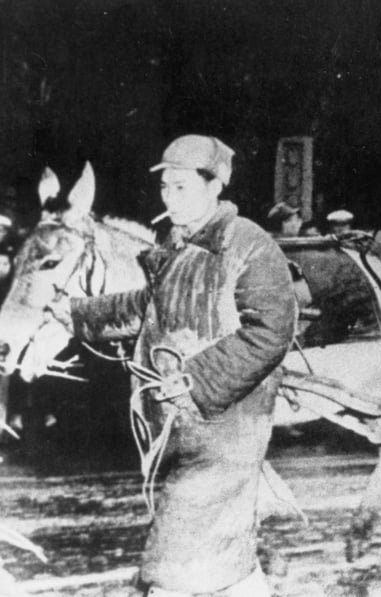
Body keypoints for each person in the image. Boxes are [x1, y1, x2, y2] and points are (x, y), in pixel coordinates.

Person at [51, 134, 296, 596]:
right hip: (181, 426)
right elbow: (148, 305)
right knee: (223, 562)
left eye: (181, 187)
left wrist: (196, 380)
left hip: (227, 425)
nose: (169, 198)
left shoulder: (248, 243)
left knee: (172, 562)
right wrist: (80, 315)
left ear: (215, 186)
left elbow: (272, 329)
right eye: (165, 187)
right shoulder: (179, 245)